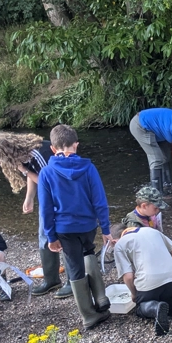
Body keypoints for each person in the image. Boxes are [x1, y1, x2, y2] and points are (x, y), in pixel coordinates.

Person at [38, 124, 113, 330]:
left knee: (74, 266)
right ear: (76, 145)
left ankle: (89, 315)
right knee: (89, 251)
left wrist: (50, 236)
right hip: (88, 226)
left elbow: (45, 210)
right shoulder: (88, 167)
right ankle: (101, 297)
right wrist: (105, 230)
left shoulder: (46, 173)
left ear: (53, 149)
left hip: (64, 228)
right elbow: (100, 201)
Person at [0, 131, 71, 298]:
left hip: (63, 198)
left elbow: (51, 182)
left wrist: (23, 170)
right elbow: (34, 174)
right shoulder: (24, 155)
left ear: (6, 153)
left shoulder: (38, 153)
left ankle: (72, 282)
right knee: (44, 237)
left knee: (65, 238)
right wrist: (29, 197)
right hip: (49, 199)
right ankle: (51, 280)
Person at [111, 220, 172, 336]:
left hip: (149, 281)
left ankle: (155, 308)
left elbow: (128, 276)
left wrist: (134, 293)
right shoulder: (152, 231)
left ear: (113, 241)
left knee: (141, 307)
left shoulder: (119, 245)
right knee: (166, 299)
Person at [128, 107, 172, 193]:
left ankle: (167, 186)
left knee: (165, 156)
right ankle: (157, 195)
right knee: (157, 159)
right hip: (140, 125)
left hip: (155, 130)